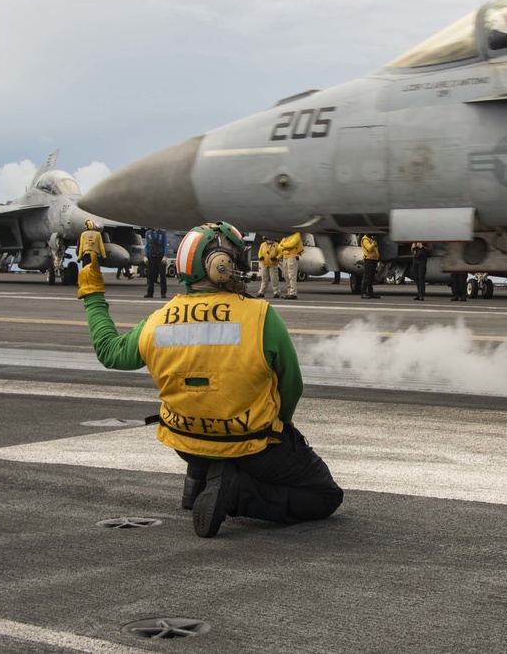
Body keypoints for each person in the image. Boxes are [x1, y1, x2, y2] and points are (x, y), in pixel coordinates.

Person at [77, 221, 343, 538]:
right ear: (218, 264)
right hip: (249, 443)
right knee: (326, 496)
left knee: (201, 408)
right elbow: (292, 385)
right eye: (232, 257)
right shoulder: (260, 316)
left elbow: (109, 352)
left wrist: (93, 292)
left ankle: (199, 483)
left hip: (186, 443)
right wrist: (278, 428)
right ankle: (236, 493)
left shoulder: (158, 320)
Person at [143, 227, 168, 299]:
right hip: (151, 256)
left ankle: (163, 293)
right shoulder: (148, 233)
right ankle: (149, 293)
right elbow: (146, 246)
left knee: (162, 275)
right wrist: (145, 256)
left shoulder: (162, 233)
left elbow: (165, 245)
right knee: (150, 275)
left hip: (160, 256)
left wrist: (165, 256)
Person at [277, 232, 304, 299]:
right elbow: (279, 247)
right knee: (286, 275)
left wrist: (283, 245)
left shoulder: (296, 235)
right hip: (285, 256)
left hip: (292, 256)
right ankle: (289, 292)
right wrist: (284, 245)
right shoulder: (285, 236)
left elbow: (291, 245)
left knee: (292, 275)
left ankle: (293, 292)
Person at [360, 234, 380, 299]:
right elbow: (369, 248)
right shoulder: (365, 239)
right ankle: (363, 292)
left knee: (371, 277)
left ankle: (370, 292)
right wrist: (373, 243)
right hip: (368, 260)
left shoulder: (371, 239)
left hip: (374, 260)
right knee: (366, 276)